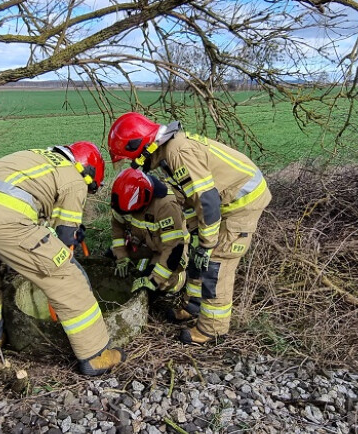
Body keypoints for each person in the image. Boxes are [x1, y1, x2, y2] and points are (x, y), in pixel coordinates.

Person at [0, 142, 124, 376]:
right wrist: (67, 242)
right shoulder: (75, 178)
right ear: (89, 172)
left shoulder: (38, 158)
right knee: (67, 277)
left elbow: (36, 213)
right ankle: (96, 355)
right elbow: (64, 237)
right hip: (2, 217)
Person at [107, 113, 272, 345]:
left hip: (239, 204)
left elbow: (207, 201)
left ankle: (212, 329)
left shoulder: (177, 152)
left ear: (142, 147)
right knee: (196, 254)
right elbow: (193, 196)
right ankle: (192, 306)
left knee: (216, 263)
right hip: (223, 202)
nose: (134, 164)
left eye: (132, 158)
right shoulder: (168, 151)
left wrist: (207, 244)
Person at [108, 167, 192, 295]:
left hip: (171, 250)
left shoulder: (166, 205)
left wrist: (154, 280)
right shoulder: (123, 203)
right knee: (110, 256)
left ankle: (180, 280)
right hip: (146, 243)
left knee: (152, 288)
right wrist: (121, 256)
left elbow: (173, 249)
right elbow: (117, 225)